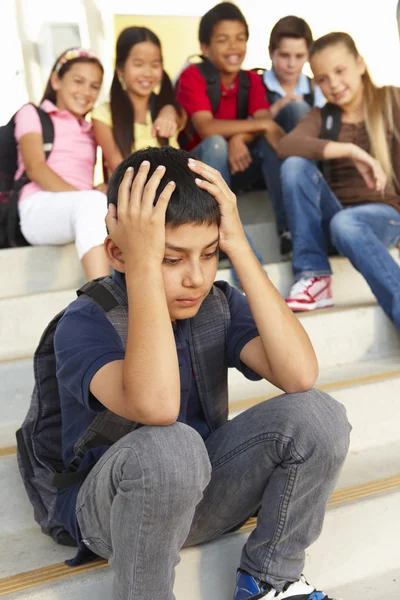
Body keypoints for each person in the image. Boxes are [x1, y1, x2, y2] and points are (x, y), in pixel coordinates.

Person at [53, 145, 351, 600]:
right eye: (171, 259)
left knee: (318, 414)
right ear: (118, 252)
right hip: (113, 515)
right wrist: (143, 267)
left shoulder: (216, 303)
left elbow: (299, 375)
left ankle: (270, 581)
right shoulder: (84, 321)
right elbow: (157, 407)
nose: (196, 277)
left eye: (209, 254)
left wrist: (239, 246)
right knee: (172, 443)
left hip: (201, 490)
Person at [278, 32, 400, 329]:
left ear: (359, 64)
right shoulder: (323, 116)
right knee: (295, 166)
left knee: (346, 223)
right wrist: (349, 150)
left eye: (340, 71)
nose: (333, 84)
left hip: (386, 216)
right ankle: (313, 275)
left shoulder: (391, 100)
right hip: (337, 221)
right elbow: (286, 146)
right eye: (322, 78)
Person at [175, 2, 289, 258]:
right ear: (205, 47)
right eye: (223, 40)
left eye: (240, 39)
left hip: (237, 164)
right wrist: (255, 127)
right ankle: (222, 234)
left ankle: (287, 231)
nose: (234, 47)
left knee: (268, 143)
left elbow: (263, 124)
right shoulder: (192, 76)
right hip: (199, 171)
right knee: (216, 143)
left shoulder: (250, 80)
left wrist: (239, 137)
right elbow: (207, 128)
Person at [15, 48, 109, 280]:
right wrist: (88, 199)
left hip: (78, 207)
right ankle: (103, 297)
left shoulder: (92, 128)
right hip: (36, 207)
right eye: (78, 81)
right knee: (93, 202)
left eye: (94, 86)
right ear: (56, 80)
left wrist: (100, 191)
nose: (86, 92)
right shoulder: (33, 114)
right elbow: (35, 168)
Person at [92, 26, 185, 174]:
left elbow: (180, 115)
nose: (147, 73)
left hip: (174, 191)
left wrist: (169, 110)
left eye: (155, 65)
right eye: (138, 64)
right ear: (120, 69)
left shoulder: (168, 109)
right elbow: (119, 169)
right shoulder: (103, 115)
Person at [263, 16, 325, 132]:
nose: (291, 64)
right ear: (271, 53)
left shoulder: (316, 90)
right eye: (284, 55)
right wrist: (274, 110)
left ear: (308, 55)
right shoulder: (254, 84)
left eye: (299, 56)